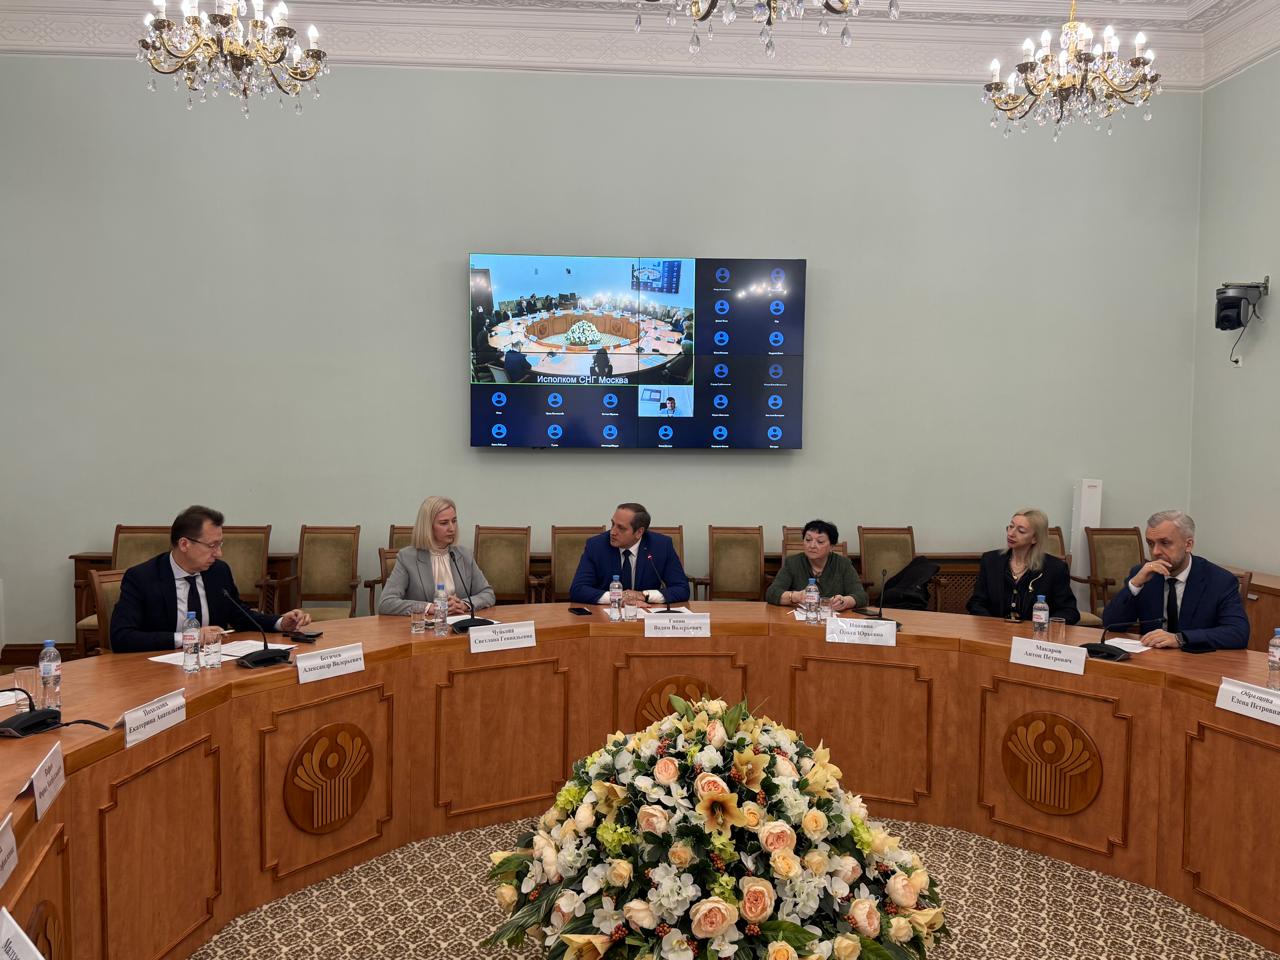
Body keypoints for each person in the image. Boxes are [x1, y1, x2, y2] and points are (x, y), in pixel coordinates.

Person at [111, 505, 311, 654]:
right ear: (184, 544)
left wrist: (281, 622)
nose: (219, 553)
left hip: (213, 662)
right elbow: (121, 637)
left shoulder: (218, 572)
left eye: (220, 544)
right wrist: (189, 638)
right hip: (158, 668)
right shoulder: (143, 578)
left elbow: (240, 615)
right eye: (212, 545)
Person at [1102, 510, 1248, 650]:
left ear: (1188, 545)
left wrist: (1180, 639)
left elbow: (1238, 633)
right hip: (1151, 658)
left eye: (1165, 543)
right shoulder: (1143, 575)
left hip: (1197, 659)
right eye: (1151, 543)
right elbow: (1111, 625)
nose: (1155, 552)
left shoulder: (1220, 580)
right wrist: (1135, 585)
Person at [379, 496, 495, 617]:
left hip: (459, 623)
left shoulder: (464, 554)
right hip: (424, 625)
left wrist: (464, 604)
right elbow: (386, 603)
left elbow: (487, 593)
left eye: (454, 521)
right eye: (444, 523)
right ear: (427, 526)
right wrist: (429, 608)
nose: (452, 528)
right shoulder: (407, 558)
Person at [966, 509, 1079, 624]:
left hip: (1034, 633)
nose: (1011, 533)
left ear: (1035, 538)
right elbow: (976, 603)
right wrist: (993, 626)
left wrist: (1042, 626)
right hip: (994, 631)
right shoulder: (990, 561)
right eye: (1011, 526)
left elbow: (1069, 611)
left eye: (1021, 531)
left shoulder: (1055, 568)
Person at [570, 503, 689, 606]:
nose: (612, 532)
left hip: (645, 612)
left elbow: (682, 589)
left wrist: (644, 595)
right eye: (613, 524)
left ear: (639, 532)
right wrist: (618, 597)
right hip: (606, 615)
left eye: (621, 528)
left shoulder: (661, 546)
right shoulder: (596, 546)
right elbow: (578, 590)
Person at [766, 520, 867, 611]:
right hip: (801, 620)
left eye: (820, 541)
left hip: (834, 620)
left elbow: (862, 596)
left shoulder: (843, 564)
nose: (812, 546)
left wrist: (845, 601)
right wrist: (795, 596)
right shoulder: (793, 563)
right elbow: (772, 593)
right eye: (808, 540)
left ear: (832, 546)